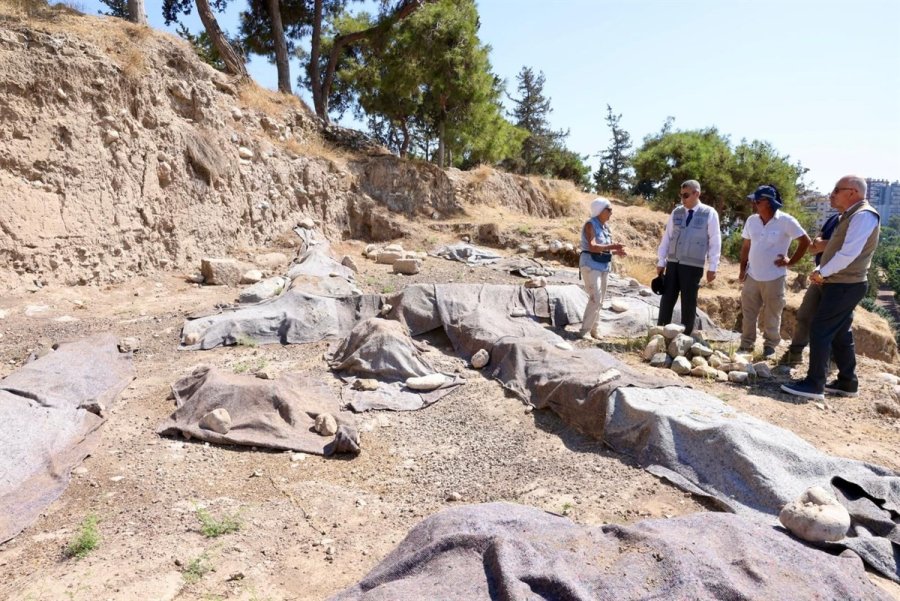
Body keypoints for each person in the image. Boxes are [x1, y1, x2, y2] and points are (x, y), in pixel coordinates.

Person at [781, 176, 880, 401]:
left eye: (837, 190)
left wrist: (821, 272)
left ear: (852, 192)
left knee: (820, 329)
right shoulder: (849, 215)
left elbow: (848, 253)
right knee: (840, 332)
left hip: (845, 284)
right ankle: (847, 382)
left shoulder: (864, 215)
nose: (832, 194)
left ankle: (814, 384)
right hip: (840, 283)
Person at [738, 185, 810, 357]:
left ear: (768, 203)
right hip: (752, 275)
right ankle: (746, 345)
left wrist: (790, 262)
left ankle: (770, 347)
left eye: (757, 200)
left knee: (773, 313)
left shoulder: (786, 221)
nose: (753, 203)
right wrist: (742, 269)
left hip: (775, 277)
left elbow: (805, 241)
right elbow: (746, 246)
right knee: (748, 312)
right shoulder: (752, 220)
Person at [655, 179, 721, 335]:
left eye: (685, 195)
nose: (682, 199)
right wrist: (661, 260)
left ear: (696, 194)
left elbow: (715, 241)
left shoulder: (709, 213)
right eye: (681, 196)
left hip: (693, 266)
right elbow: (667, 237)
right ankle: (660, 331)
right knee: (667, 298)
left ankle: (685, 336)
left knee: (689, 301)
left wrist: (713, 267)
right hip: (673, 263)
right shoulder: (676, 212)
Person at [779, 211, 841, 365]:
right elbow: (812, 247)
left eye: (837, 191)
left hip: (841, 279)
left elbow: (849, 246)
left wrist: (824, 244)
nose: (832, 195)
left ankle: (834, 360)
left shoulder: (857, 218)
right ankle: (795, 353)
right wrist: (828, 244)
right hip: (820, 275)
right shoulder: (833, 218)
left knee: (837, 322)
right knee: (804, 314)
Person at [579, 197, 625, 339]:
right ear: (600, 210)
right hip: (591, 265)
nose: (611, 212)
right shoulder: (590, 225)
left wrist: (616, 252)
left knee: (601, 298)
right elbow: (593, 247)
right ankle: (585, 330)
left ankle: (594, 329)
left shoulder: (606, 228)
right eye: (609, 209)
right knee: (596, 297)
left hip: (603, 265)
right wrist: (613, 246)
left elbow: (603, 249)